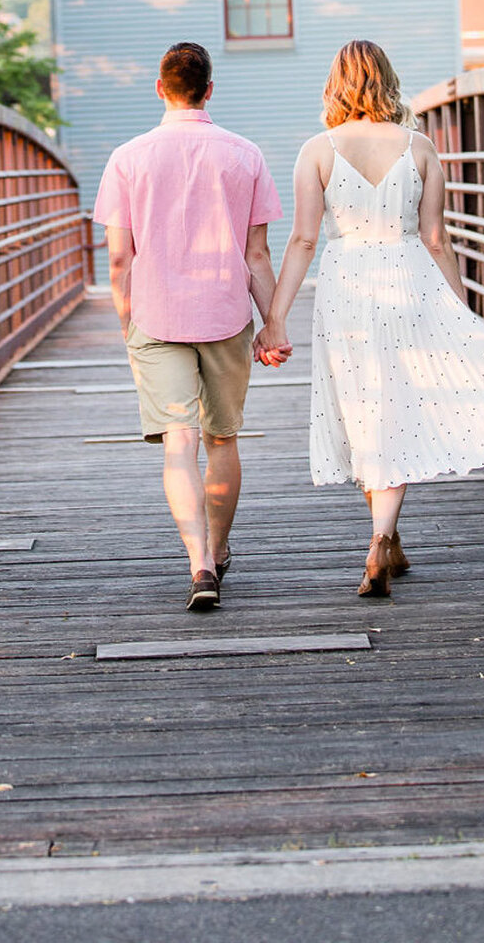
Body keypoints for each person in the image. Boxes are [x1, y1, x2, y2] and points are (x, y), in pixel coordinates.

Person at [254, 39, 484, 598]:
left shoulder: (316, 150)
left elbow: (305, 238)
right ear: (387, 79)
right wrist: (462, 313)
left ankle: (381, 535)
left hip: (347, 288)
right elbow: (435, 237)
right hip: (409, 281)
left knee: (365, 411)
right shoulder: (421, 147)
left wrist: (276, 318)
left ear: (335, 84)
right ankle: (388, 540)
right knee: (397, 408)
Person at [94, 41, 287, 612]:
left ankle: (198, 563)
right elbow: (257, 254)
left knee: (177, 445)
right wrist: (273, 324)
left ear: (161, 88)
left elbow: (120, 260)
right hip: (226, 315)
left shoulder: (127, 158)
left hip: (156, 317)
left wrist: (130, 322)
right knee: (222, 438)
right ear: (209, 90)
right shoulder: (245, 154)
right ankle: (222, 550)